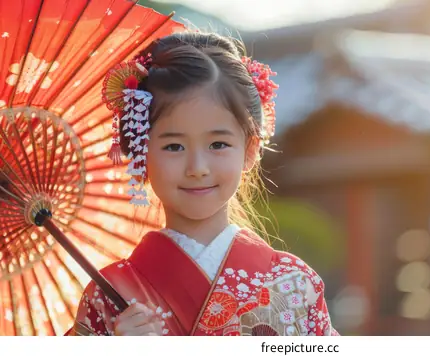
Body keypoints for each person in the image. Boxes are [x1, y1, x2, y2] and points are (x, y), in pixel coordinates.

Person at [65, 31, 338, 337]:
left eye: (218, 144)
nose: (198, 168)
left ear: (249, 150)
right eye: (174, 147)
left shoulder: (294, 283)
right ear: (141, 154)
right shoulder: (110, 296)